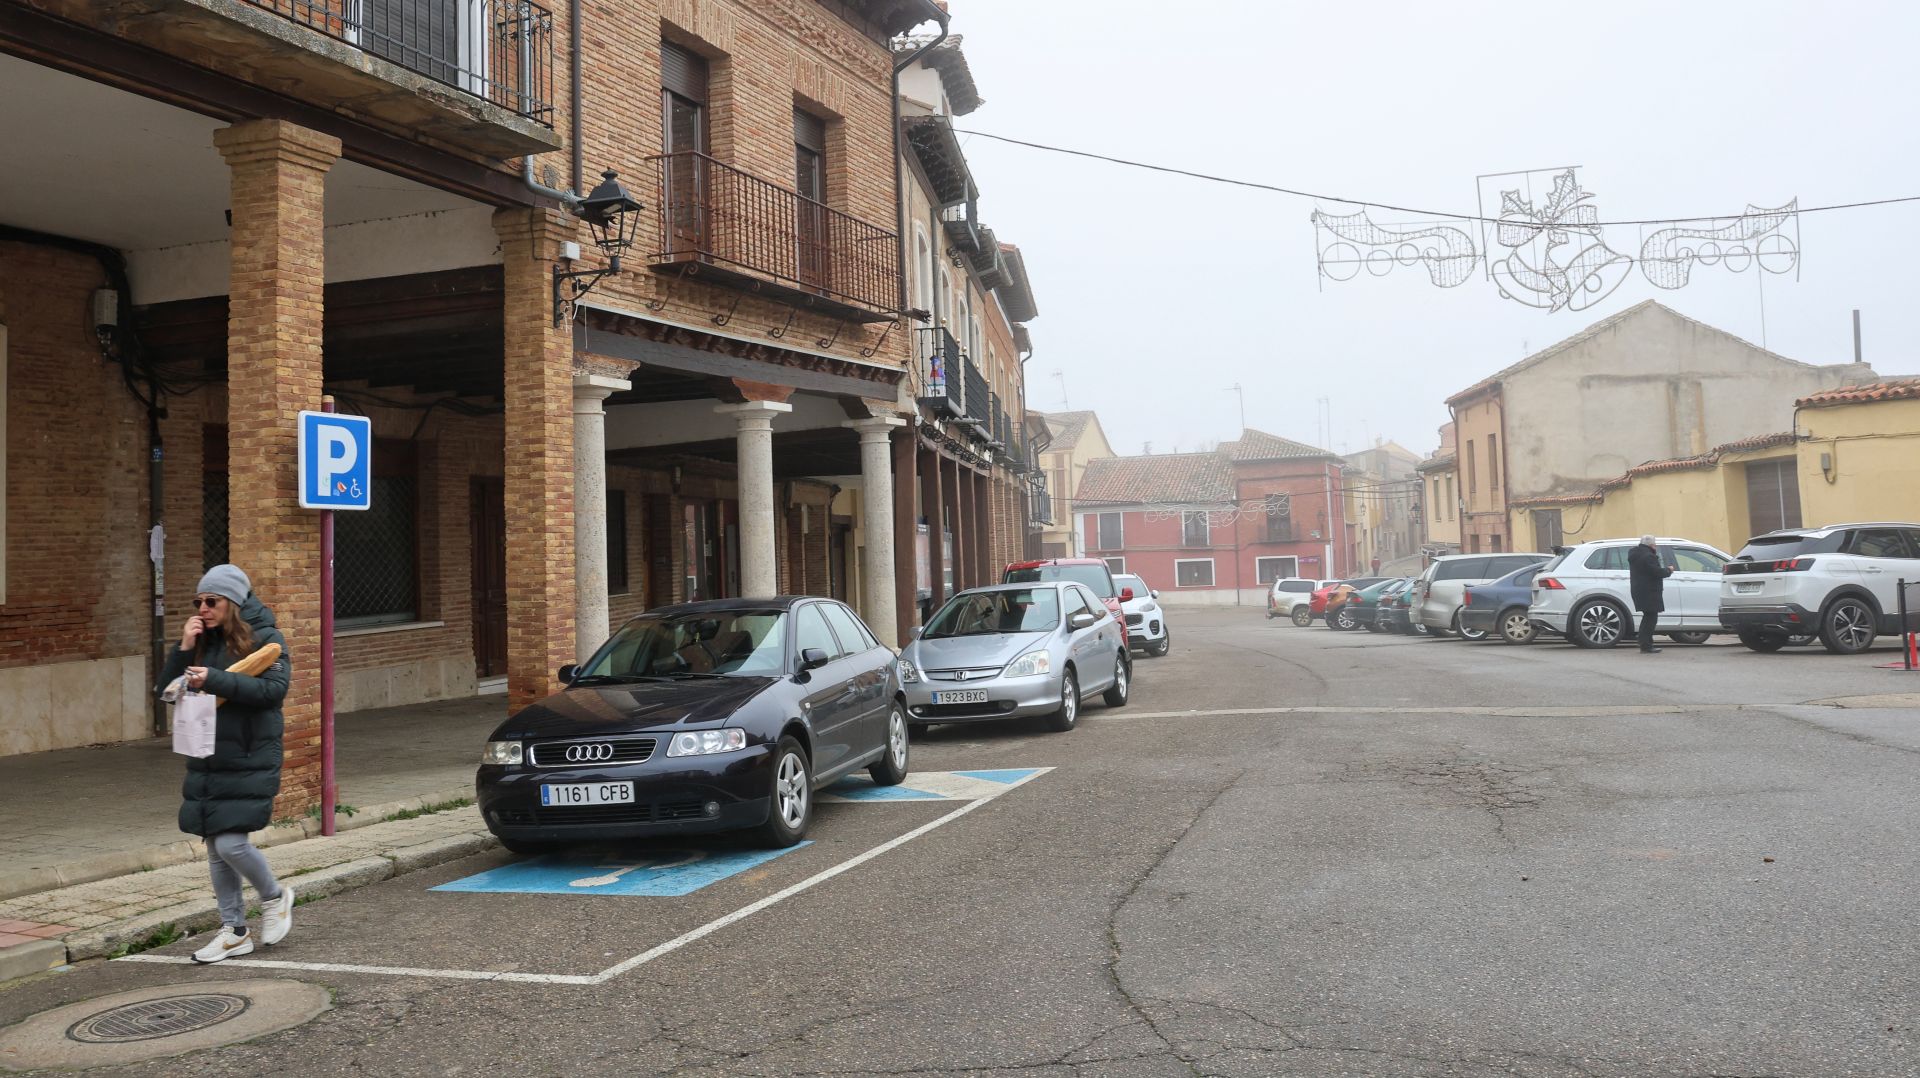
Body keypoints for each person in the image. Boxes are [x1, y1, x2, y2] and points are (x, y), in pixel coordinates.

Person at [158, 564, 296, 964]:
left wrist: (214, 680)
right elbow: (165, 691)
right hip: (206, 753)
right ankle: (234, 931)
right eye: (197, 601)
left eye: (211, 601)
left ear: (232, 602)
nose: (202, 608)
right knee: (216, 848)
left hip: (249, 754)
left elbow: (273, 690)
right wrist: (184, 646)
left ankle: (275, 897)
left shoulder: (265, 638)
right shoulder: (202, 641)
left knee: (230, 841)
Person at [1627, 535, 1674, 654]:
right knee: (1651, 618)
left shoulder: (1635, 554)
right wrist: (1668, 570)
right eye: (1655, 545)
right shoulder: (1648, 556)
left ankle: (1645, 643)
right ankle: (1646, 645)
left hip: (1640, 590)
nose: (1656, 546)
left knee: (1648, 617)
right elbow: (1656, 572)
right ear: (1651, 545)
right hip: (1649, 591)